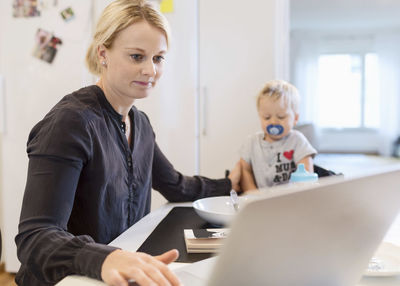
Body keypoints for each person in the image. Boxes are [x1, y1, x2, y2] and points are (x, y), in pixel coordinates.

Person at [15, 1, 240, 285]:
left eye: (158, 58)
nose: (150, 70)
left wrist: (231, 183)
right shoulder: (71, 123)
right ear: (103, 53)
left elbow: (174, 184)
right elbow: (35, 237)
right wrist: (105, 257)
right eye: (137, 57)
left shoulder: (140, 123)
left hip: (117, 272)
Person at [239, 79, 316, 191]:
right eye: (267, 117)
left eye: (281, 117)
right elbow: (244, 170)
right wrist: (253, 194)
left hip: (289, 197)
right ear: (260, 116)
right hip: (259, 200)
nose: (273, 122)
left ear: (295, 118)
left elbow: (306, 171)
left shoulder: (297, 140)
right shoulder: (252, 142)